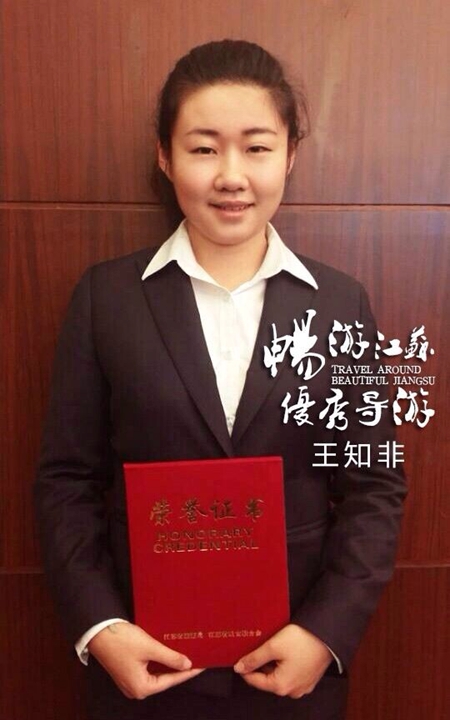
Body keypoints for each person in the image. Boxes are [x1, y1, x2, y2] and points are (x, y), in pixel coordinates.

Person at [34, 39, 407, 720]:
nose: (232, 175)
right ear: (164, 156)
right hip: (143, 666)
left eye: (257, 147)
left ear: (290, 155)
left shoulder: (340, 303)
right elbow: (67, 480)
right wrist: (101, 627)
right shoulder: (105, 298)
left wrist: (325, 633)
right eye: (204, 148)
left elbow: (373, 482)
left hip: (294, 669)